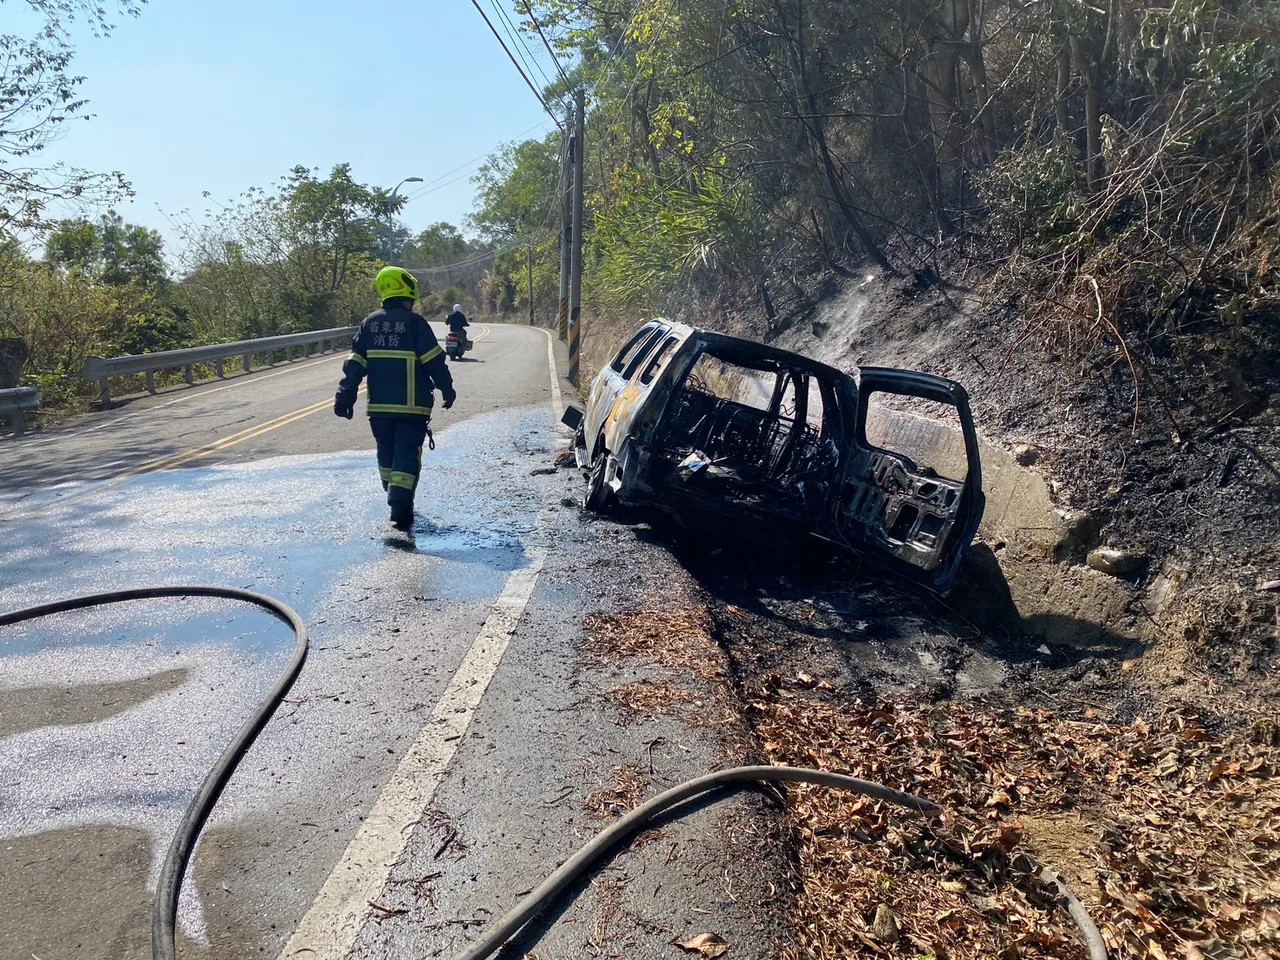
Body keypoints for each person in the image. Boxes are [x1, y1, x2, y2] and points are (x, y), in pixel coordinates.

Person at [334, 266, 456, 531]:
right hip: (412, 408)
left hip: (379, 410)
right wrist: (447, 388)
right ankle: (400, 505)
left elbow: (355, 363)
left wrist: (345, 394)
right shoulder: (415, 324)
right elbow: (434, 362)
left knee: (386, 454)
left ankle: (394, 496)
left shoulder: (369, 324)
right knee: (407, 455)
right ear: (407, 292)